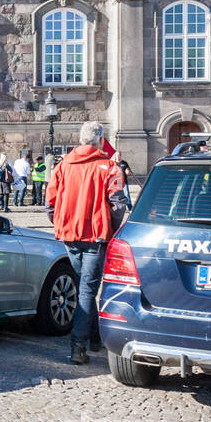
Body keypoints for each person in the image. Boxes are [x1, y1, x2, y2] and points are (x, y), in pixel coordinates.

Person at [46, 121, 126, 366]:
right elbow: (118, 205)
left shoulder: (63, 166)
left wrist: (61, 223)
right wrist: (110, 227)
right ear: (100, 140)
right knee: (88, 290)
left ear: (80, 140)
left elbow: (50, 203)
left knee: (84, 288)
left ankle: (93, 339)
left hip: (70, 235)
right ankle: (78, 347)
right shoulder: (109, 167)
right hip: (96, 236)